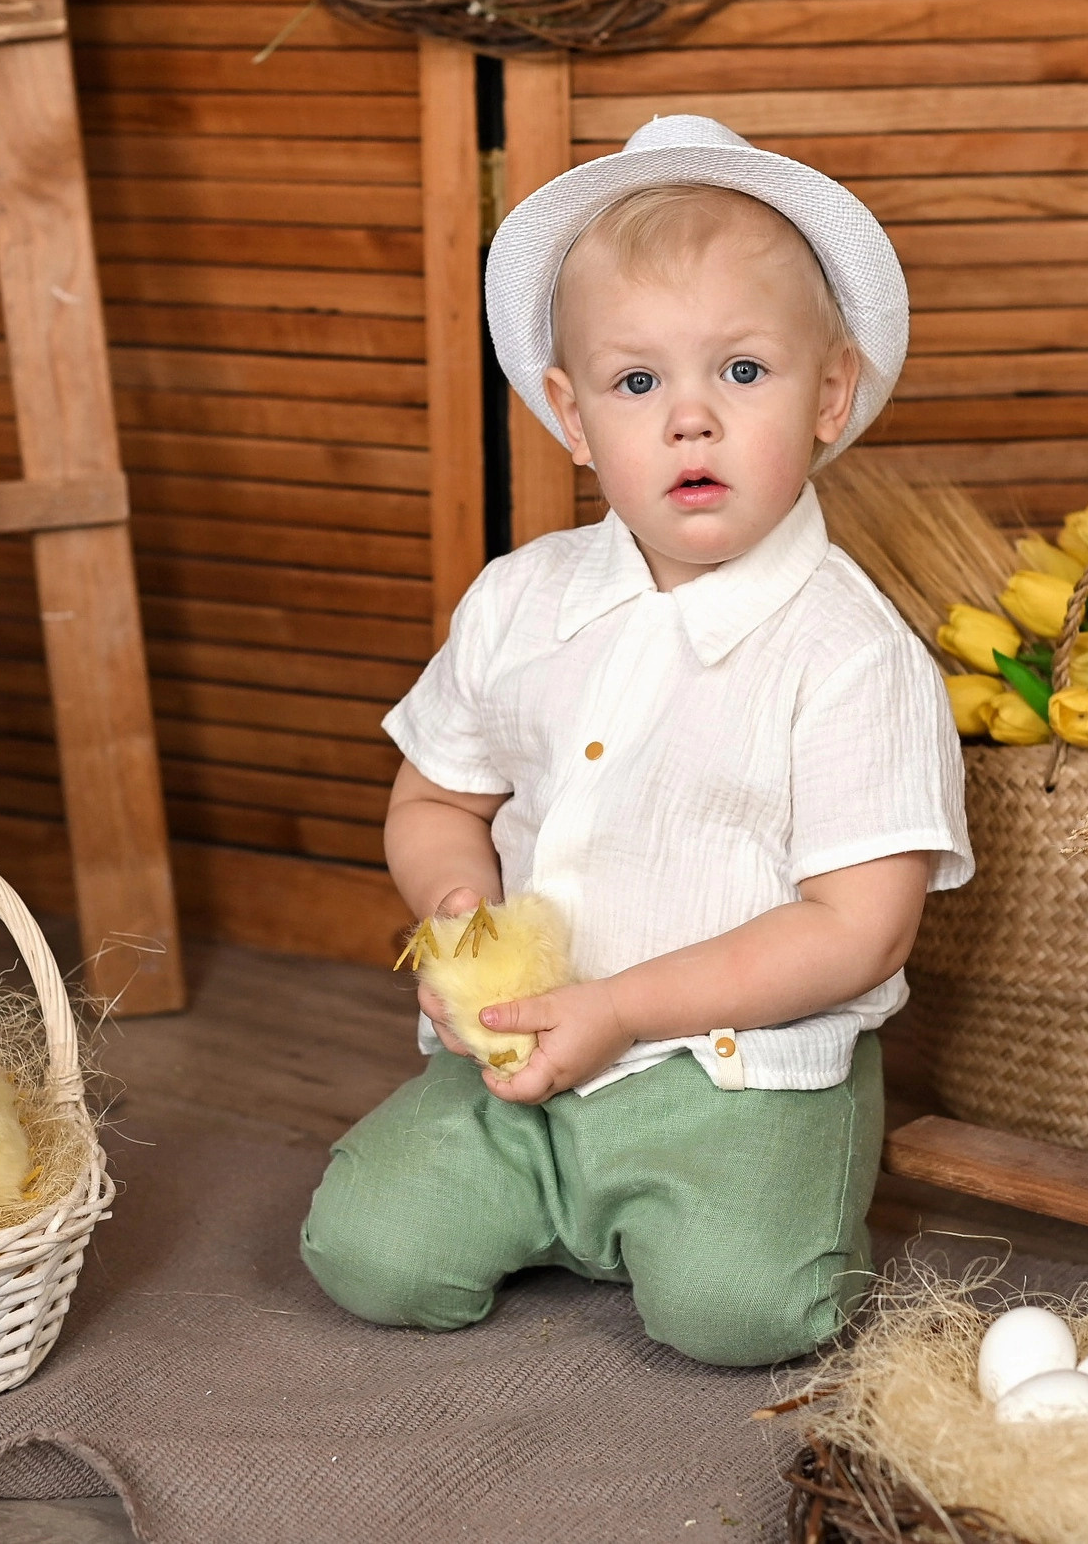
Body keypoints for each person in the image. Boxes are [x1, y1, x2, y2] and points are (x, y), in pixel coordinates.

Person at [299, 115, 971, 1366]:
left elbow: (856, 928)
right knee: (368, 1252)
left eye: (744, 372)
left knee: (741, 1314)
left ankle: (708, 1214)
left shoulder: (854, 657)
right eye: (638, 382)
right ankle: (553, 1199)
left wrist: (618, 1012)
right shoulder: (521, 602)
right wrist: (461, 920)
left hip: (740, 1080)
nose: (691, 422)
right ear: (570, 413)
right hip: (517, 1067)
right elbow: (435, 802)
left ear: (831, 393)